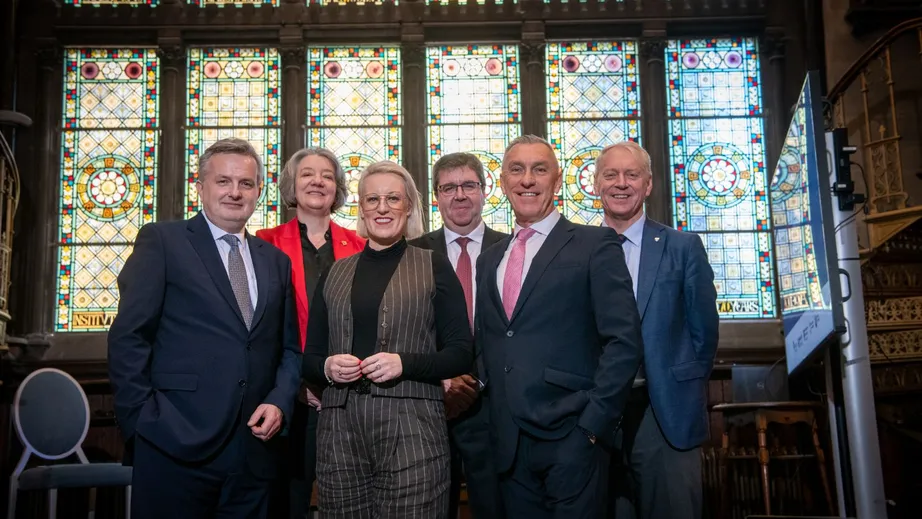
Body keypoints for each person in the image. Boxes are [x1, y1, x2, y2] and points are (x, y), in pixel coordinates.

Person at [108, 138, 302, 519]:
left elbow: (289, 349)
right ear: (200, 187)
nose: (235, 192)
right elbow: (129, 337)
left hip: (253, 450)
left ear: (259, 191)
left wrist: (280, 400)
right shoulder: (163, 241)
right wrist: (141, 423)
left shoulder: (275, 261)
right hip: (173, 443)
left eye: (246, 183)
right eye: (223, 181)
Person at [474, 135, 644, 519]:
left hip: (573, 435)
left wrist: (592, 427)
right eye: (516, 170)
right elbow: (489, 342)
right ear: (503, 182)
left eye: (540, 169)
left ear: (558, 179)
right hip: (509, 445)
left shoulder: (594, 243)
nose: (527, 180)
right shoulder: (490, 260)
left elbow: (624, 341)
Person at [301, 160, 473, 518]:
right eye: (372, 199)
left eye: (393, 199)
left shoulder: (433, 265)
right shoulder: (335, 272)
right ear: (361, 207)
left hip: (413, 426)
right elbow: (310, 358)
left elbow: (460, 354)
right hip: (339, 430)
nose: (382, 208)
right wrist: (328, 367)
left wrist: (404, 362)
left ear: (408, 206)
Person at [597, 142, 718, 519]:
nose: (621, 183)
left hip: (665, 412)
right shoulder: (577, 251)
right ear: (596, 184)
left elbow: (704, 333)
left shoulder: (682, 247)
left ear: (648, 185)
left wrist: (680, 382)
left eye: (632, 175)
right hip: (597, 418)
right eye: (611, 175)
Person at [255, 147, 365, 519]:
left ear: (337, 189)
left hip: (347, 392)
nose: (317, 181)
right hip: (288, 394)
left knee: (349, 496)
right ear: (291, 185)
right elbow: (263, 328)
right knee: (288, 498)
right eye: (307, 174)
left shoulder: (360, 246)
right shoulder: (263, 243)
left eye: (327, 176)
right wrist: (295, 383)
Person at [409, 152, 507, 519]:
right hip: (431, 403)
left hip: (496, 403)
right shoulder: (413, 253)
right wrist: (443, 378)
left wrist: (477, 380)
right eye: (449, 187)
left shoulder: (512, 247)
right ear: (436, 196)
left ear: (484, 191)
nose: (460, 195)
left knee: (495, 506)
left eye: (469, 185)